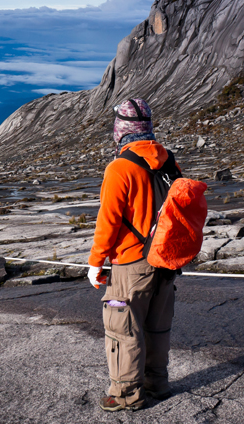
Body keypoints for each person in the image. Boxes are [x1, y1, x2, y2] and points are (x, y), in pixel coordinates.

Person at [87, 98, 181, 412]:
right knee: (157, 325)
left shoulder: (120, 168)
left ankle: (125, 394)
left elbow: (108, 220)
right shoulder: (170, 164)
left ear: (120, 129)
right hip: (165, 262)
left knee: (122, 328)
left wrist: (95, 262)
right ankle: (158, 383)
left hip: (130, 265)